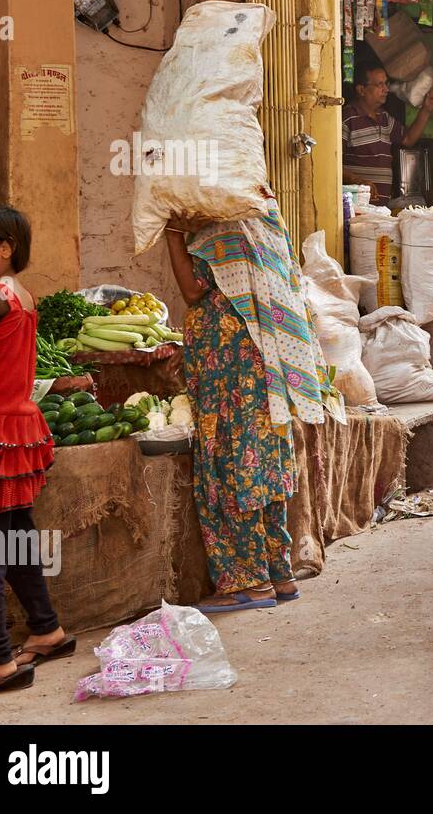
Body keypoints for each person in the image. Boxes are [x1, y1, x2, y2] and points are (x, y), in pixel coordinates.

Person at [165, 200, 327, 614]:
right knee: (266, 462)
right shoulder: (266, 223)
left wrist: (172, 234)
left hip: (228, 362)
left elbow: (192, 289)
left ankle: (248, 582)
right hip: (264, 365)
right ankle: (279, 573)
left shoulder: (221, 232)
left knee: (233, 463)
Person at [0, 205, 71, 698]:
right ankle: (46, 630)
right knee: (15, 536)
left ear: (4, 249)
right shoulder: (19, 294)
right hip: (17, 430)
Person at [342, 63, 433, 203]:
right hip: (356, 208)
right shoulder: (347, 119)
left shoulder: (384, 118)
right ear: (361, 89)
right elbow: (332, 163)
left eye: (386, 83)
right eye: (379, 84)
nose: (386, 89)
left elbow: (408, 139)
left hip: (381, 210)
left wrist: (426, 110)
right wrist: (358, 181)